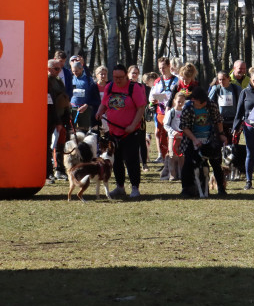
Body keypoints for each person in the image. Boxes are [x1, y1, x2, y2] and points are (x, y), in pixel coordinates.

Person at [94, 64, 147, 199]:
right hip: (113, 132)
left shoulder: (133, 88)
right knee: (116, 160)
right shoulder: (110, 87)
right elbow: (105, 103)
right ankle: (120, 187)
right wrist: (100, 112)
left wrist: (133, 124)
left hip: (130, 132)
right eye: (115, 77)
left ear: (126, 76)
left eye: (121, 77)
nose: (117, 80)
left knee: (131, 160)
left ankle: (135, 187)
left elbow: (141, 108)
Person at [178, 86, 228, 197]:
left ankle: (221, 187)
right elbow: (184, 127)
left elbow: (218, 120)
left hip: (210, 138)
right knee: (188, 164)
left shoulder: (211, 105)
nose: (204, 104)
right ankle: (186, 188)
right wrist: (194, 140)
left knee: (216, 163)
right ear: (194, 100)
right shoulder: (188, 108)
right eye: (201, 103)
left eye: (205, 101)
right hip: (192, 139)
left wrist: (221, 134)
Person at [149, 57, 179, 163]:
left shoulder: (176, 80)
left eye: (164, 67)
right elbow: (152, 97)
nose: (162, 70)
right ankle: (163, 157)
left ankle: (173, 156)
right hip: (160, 112)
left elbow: (179, 96)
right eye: (160, 68)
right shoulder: (158, 81)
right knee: (161, 134)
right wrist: (156, 99)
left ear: (169, 67)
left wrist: (167, 99)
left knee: (173, 134)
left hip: (173, 113)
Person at [46, 59, 70, 181]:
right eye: (56, 68)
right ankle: (48, 172)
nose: (59, 71)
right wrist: (57, 121)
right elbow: (51, 103)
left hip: (61, 117)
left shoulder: (59, 81)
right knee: (48, 146)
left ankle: (60, 170)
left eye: (60, 68)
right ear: (48, 69)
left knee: (61, 145)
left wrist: (66, 116)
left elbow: (63, 98)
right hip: (50, 118)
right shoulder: (46, 81)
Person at [208, 71, 241, 141]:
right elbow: (209, 103)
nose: (221, 82)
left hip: (233, 122)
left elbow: (242, 104)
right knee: (221, 144)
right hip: (220, 123)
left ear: (229, 78)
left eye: (223, 79)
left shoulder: (236, 89)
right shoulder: (216, 89)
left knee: (233, 145)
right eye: (220, 80)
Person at [162, 91, 188, 180]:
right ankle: (172, 174)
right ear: (174, 101)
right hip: (172, 138)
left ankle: (182, 174)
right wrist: (173, 132)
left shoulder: (185, 111)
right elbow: (165, 124)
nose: (180, 103)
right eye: (179, 101)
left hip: (183, 137)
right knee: (172, 156)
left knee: (182, 156)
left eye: (182, 102)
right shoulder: (171, 112)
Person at [68, 60, 100, 130]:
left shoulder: (89, 79)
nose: (75, 73)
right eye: (73, 71)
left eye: (77, 71)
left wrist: (86, 105)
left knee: (84, 128)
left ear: (81, 69)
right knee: (72, 129)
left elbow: (93, 94)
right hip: (73, 108)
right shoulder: (70, 78)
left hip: (85, 108)